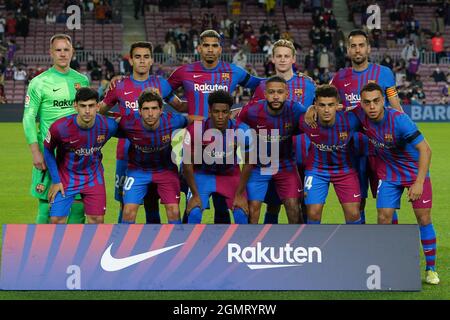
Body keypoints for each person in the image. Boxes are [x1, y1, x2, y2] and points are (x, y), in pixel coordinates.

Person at [168, 29, 263, 224]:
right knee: (191, 204)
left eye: (214, 46)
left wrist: (245, 109)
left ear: (220, 49)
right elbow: (162, 90)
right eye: (206, 45)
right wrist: (180, 106)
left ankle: (223, 248)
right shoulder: (184, 71)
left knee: (223, 205)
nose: (210, 50)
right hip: (194, 145)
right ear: (199, 48)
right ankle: (187, 247)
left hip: (225, 142)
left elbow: (260, 86)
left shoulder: (233, 71)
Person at [351, 82, 439, 285]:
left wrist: (418, 183)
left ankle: (431, 268)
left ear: (383, 100)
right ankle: (390, 263)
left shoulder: (400, 120)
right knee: (384, 218)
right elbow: (339, 110)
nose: (371, 106)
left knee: (423, 217)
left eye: (376, 101)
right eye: (366, 102)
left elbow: (426, 150)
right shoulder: (359, 115)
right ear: (361, 103)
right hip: (389, 174)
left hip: (414, 172)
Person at [99, 41, 185, 224]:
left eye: (146, 57)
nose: (142, 61)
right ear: (130, 60)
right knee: (126, 203)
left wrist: (206, 101)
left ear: (152, 60)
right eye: (137, 57)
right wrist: (118, 117)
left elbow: (180, 106)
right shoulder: (120, 86)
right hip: (127, 154)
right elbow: (100, 111)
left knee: (153, 200)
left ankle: (154, 241)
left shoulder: (161, 84)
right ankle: (120, 244)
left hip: (159, 153)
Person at [330, 29, 402, 225]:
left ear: (368, 48)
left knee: (386, 203)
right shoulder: (340, 77)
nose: (357, 50)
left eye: (361, 45)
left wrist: (404, 138)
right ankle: (361, 248)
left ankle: (390, 247)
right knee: (357, 203)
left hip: (382, 150)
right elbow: (328, 104)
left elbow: (396, 108)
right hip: (353, 150)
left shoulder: (384, 74)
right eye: (353, 46)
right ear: (348, 50)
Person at [22, 34, 89, 224]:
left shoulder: (81, 80)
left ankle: (74, 252)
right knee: (46, 204)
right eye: (58, 50)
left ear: (72, 52)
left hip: (76, 153)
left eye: (66, 49)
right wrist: (36, 151)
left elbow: (89, 112)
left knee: (78, 205)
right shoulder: (39, 82)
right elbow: (28, 117)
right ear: (51, 53)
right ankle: (39, 252)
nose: (62, 54)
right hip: (48, 151)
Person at [249, 39, 316, 224]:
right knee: (273, 203)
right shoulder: (263, 87)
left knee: (303, 204)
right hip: (273, 155)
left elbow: (317, 112)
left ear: (294, 59)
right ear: (272, 59)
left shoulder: (308, 85)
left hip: (304, 153)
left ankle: (304, 246)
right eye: (279, 56)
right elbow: (254, 116)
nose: (283, 60)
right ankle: (271, 243)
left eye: (286, 56)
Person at [236, 76, 306, 224]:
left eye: (280, 92)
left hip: (286, 165)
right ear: (265, 94)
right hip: (259, 166)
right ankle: (250, 245)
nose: (275, 96)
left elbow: (312, 120)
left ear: (287, 94)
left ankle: (298, 245)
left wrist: (313, 109)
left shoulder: (297, 110)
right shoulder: (251, 111)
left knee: (294, 207)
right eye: (271, 92)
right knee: (253, 208)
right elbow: (236, 124)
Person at [117, 90, 193, 224]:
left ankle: (177, 242)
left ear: (161, 110)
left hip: (166, 171)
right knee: (128, 211)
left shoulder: (174, 121)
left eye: (154, 108)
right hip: (138, 171)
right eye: (146, 109)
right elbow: (104, 126)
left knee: (174, 211)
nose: (150, 113)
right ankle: (125, 244)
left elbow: (194, 120)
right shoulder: (128, 122)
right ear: (139, 111)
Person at [44, 88, 117, 224]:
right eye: (83, 106)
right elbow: (48, 150)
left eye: (91, 106)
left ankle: (93, 246)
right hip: (66, 177)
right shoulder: (59, 127)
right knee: (56, 220)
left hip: (93, 177)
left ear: (97, 106)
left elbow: (132, 131)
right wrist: (55, 180)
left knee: (97, 220)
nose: (87, 111)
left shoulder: (109, 126)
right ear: (75, 105)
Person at [182, 90, 251, 224]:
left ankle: (240, 244)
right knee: (194, 212)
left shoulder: (242, 130)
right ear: (209, 111)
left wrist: (239, 194)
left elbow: (248, 163)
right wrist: (195, 195)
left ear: (230, 113)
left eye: (224, 112)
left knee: (241, 214)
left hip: (230, 175)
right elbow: (187, 164)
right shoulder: (195, 130)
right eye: (216, 111)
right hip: (202, 174)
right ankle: (190, 244)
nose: (220, 116)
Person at [299, 85, 361, 224]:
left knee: (353, 213)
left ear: (337, 105)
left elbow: (367, 111)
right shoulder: (306, 121)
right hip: (316, 170)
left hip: (345, 171)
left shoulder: (351, 120)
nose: (326, 110)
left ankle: (355, 244)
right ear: (315, 105)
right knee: (313, 213)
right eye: (322, 105)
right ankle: (314, 245)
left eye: (331, 105)